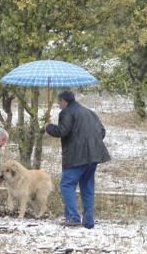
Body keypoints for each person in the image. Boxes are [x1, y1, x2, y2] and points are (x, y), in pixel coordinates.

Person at [46, 90, 110, 229]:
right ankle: (88, 221)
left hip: (76, 157)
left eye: (59, 102)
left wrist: (49, 127)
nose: (58, 105)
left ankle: (72, 217)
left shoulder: (67, 112)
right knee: (87, 187)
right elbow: (102, 131)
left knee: (66, 185)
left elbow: (62, 131)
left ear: (64, 101)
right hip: (94, 156)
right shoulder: (89, 112)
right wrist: (90, 143)